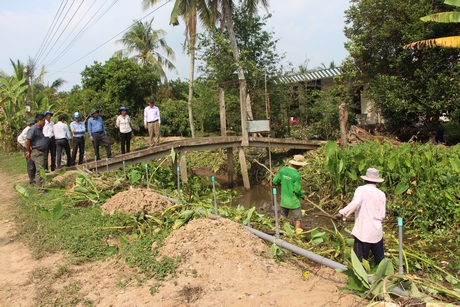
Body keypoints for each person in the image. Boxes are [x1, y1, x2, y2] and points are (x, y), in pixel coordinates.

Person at [335, 168, 386, 266]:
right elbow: (382, 215)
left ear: (365, 179)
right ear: (377, 181)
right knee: (380, 262)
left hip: (363, 231)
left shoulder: (361, 189)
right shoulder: (381, 194)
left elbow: (356, 203)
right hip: (377, 232)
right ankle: (379, 279)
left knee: (359, 262)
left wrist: (342, 213)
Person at [273, 155, 308, 234]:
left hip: (284, 200)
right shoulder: (296, 175)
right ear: (298, 165)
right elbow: (297, 190)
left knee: (283, 216)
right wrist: (303, 196)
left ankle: (280, 230)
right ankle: (297, 234)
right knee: (298, 218)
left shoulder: (283, 171)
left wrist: (280, 182)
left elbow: (275, 181)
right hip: (293, 202)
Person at [25, 114, 48, 194]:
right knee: (39, 171)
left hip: (41, 152)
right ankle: (41, 190)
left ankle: (41, 187)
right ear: (39, 120)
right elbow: (27, 141)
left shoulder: (39, 129)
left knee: (41, 170)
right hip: (37, 152)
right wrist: (29, 150)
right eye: (43, 121)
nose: (44, 122)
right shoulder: (33, 129)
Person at [17, 117, 37, 185]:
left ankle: (35, 178)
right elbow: (19, 138)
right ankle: (31, 180)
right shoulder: (27, 129)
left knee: (34, 162)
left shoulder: (33, 129)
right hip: (27, 147)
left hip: (32, 147)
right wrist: (26, 146)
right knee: (30, 163)